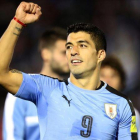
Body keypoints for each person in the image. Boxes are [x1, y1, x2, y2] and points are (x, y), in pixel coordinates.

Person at [0, 2, 138, 140]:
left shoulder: (123, 106)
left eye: (82, 45)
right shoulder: (47, 88)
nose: (73, 52)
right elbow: (2, 74)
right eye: (69, 46)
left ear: (100, 55)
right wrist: (17, 22)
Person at [2, 27, 69, 140]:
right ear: (46, 54)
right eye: (63, 53)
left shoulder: (76, 93)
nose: (69, 58)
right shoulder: (20, 92)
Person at [100, 55, 140, 140]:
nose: (108, 80)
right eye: (103, 75)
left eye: (113, 76)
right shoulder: (84, 108)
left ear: (121, 81)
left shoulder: (131, 113)